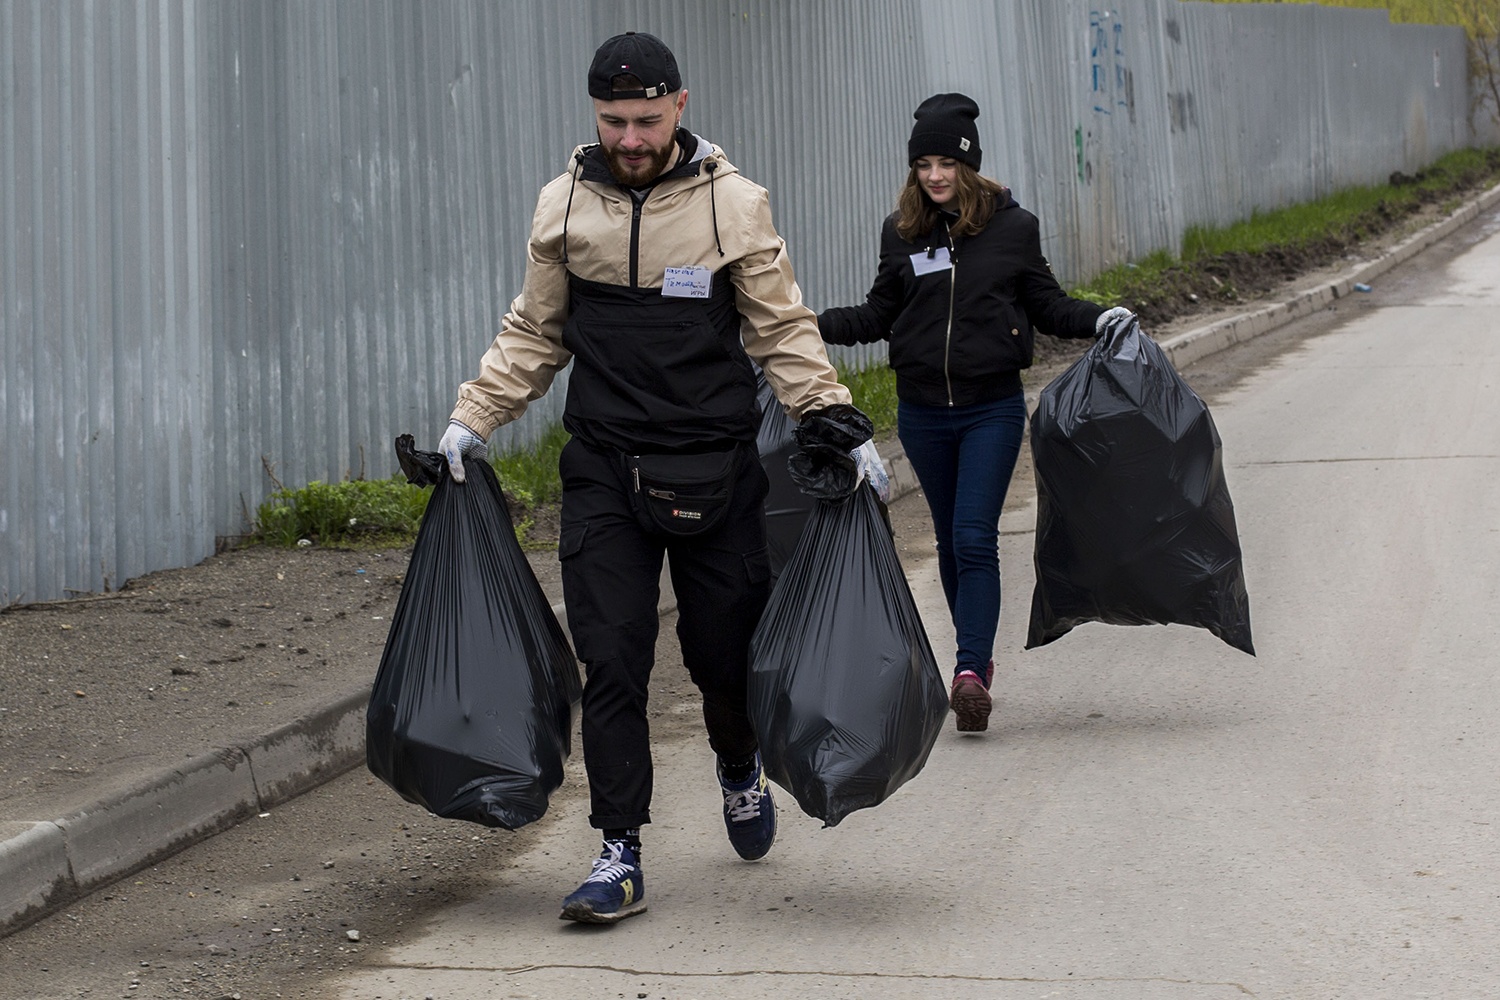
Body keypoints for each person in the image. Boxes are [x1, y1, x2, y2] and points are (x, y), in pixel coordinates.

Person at [437, 31, 876, 924]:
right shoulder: (565, 205)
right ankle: (619, 851)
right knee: (614, 664)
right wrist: (473, 418)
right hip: (605, 472)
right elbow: (535, 330)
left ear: (680, 106)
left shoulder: (732, 205)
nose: (629, 139)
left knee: (724, 663)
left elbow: (779, 327)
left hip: (716, 471)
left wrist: (828, 413)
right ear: (593, 115)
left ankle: (736, 762)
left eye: (644, 120)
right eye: (612, 121)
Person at [817, 93, 1132, 734]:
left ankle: (967, 670)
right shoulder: (901, 230)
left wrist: (1099, 317)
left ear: (969, 166)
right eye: (924, 164)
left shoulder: (1013, 228)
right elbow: (879, 315)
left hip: (990, 409)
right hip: (923, 413)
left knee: (971, 537)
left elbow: (1046, 304)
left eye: (946, 164)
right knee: (949, 543)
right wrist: (803, 323)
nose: (934, 176)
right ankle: (974, 668)